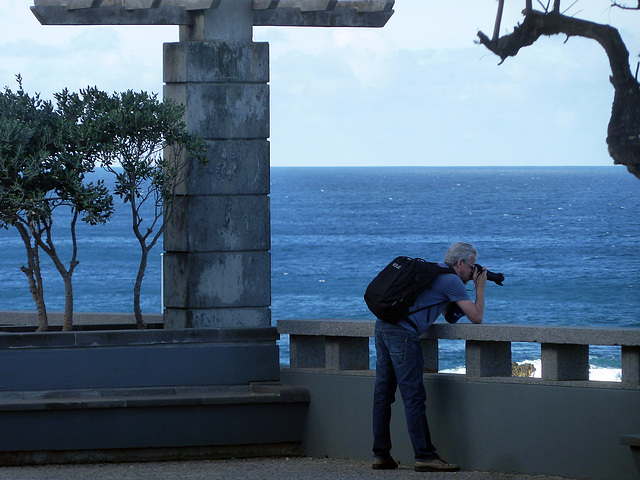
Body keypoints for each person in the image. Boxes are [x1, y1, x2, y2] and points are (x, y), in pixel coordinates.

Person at [371, 242, 487, 473]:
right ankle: (424, 456)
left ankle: (380, 455)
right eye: (472, 266)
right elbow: (476, 317)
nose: (474, 271)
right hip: (403, 335)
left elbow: (448, 314)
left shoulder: (433, 271)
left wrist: (463, 290)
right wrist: (480, 287)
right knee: (413, 397)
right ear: (460, 263)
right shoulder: (451, 280)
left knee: (383, 395)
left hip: (383, 327)